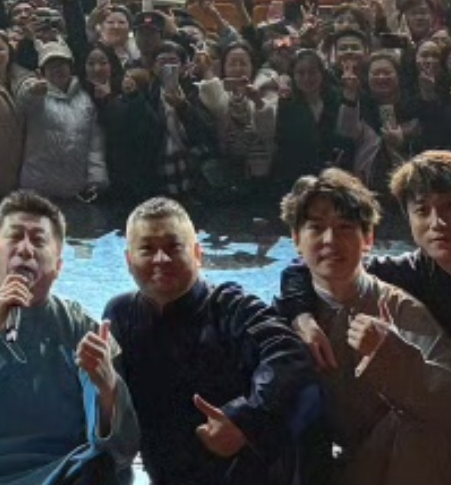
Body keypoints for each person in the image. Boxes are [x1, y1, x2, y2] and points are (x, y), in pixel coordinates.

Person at [0, 189, 138, 484]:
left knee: (102, 470)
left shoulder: (83, 329)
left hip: (57, 473)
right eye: (15, 237)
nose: (25, 249)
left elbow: (122, 449)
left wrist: (107, 388)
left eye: (38, 241)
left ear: (58, 266)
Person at [103, 196, 317, 485]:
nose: (161, 259)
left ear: (197, 254)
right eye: (147, 249)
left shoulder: (231, 307)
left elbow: (288, 352)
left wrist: (244, 419)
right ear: (129, 261)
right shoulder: (120, 314)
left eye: (173, 247)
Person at [279, 166, 451, 484]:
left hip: (396, 459)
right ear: (296, 240)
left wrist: (392, 354)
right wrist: (300, 315)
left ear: (368, 239)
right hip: (327, 463)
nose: (330, 240)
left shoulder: (399, 307)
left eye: (345, 227)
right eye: (316, 228)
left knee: (419, 428)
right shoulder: (286, 315)